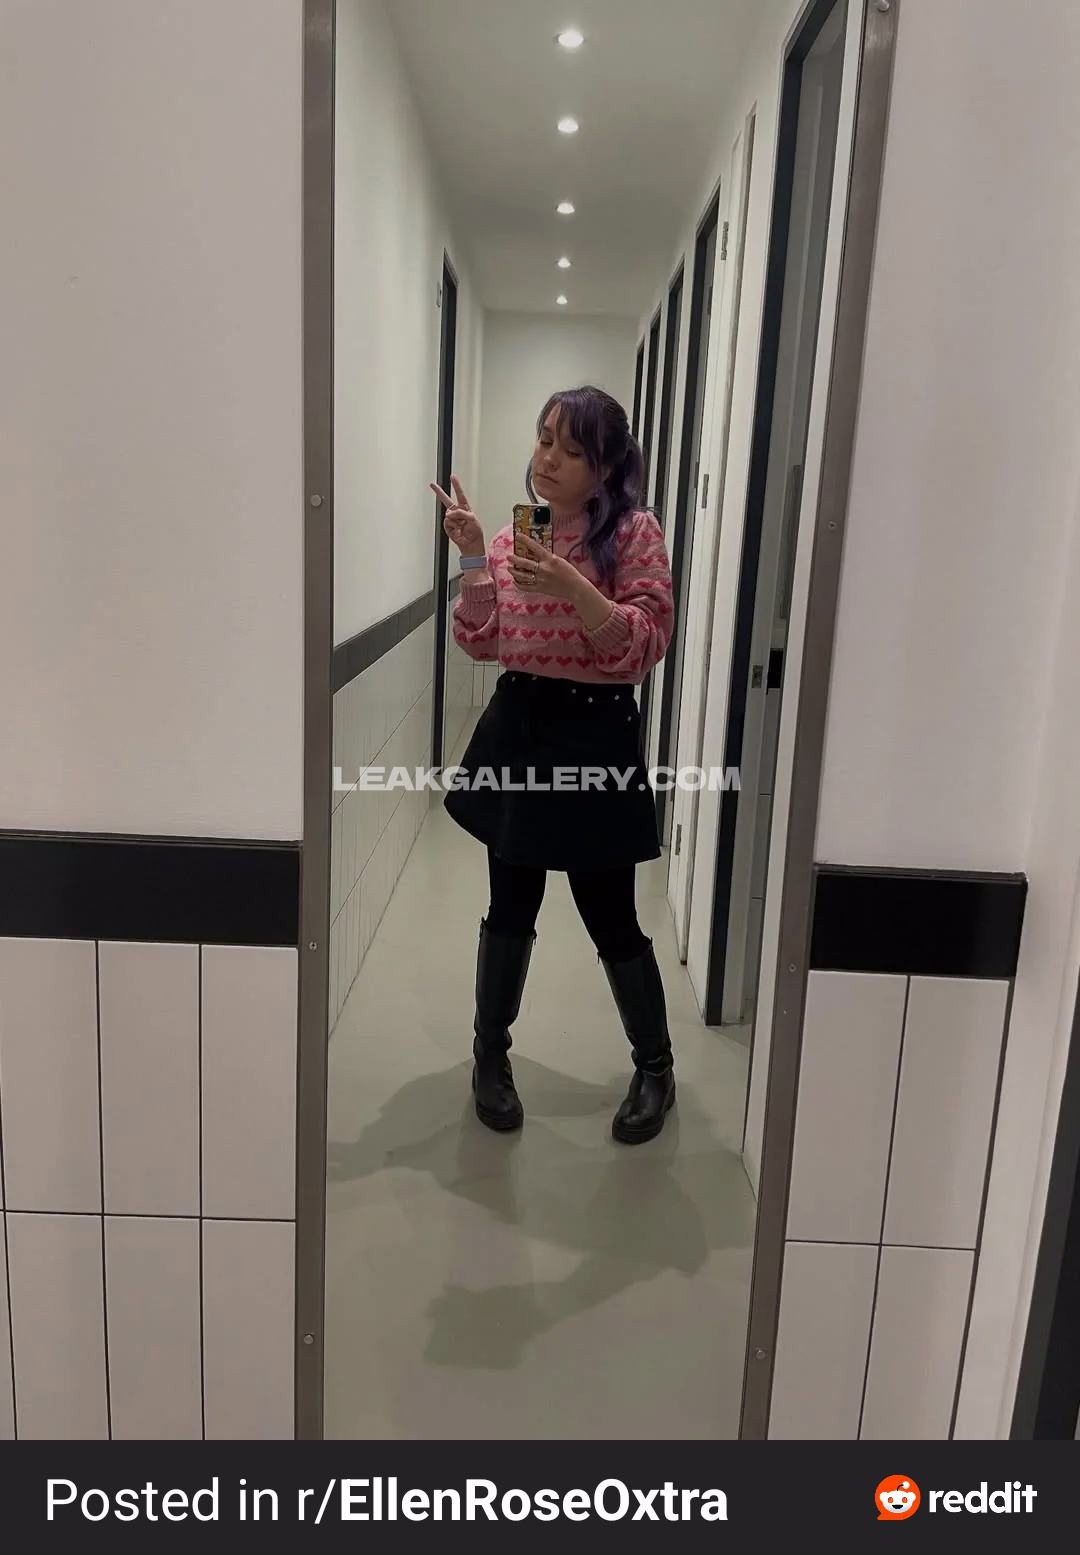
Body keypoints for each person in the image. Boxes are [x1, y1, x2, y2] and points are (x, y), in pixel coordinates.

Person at [431, 385, 676, 1145]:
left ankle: (656, 1067)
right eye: (544, 440)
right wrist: (475, 555)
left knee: (611, 914)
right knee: (511, 904)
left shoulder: (633, 533)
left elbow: (641, 646)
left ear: (606, 465)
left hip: (596, 735)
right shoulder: (519, 535)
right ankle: (489, 1058)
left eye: (572, 450)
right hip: (521, 727)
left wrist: (574, 585)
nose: (549, 460)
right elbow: (481, 641)